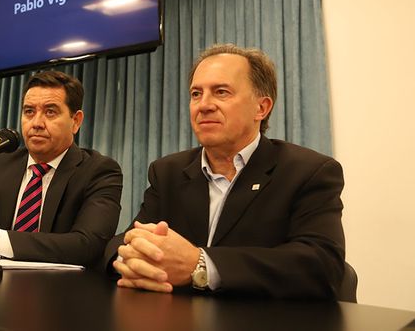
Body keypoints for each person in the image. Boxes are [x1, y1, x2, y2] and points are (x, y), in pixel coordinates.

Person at [104, 44, 345, 299]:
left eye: (221, 92)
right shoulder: (168, 172)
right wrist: (130, 257)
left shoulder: (308, 171)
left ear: (261, 108)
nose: (203, 105)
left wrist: (202, 265)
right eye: (196, 94)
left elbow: (321, 264)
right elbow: (124, 241)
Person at [0, 71, 123, 266]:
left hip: (63, 291)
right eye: (29, 112)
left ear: (75, 121)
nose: (36, 123)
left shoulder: (99, 170)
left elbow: (88, 245)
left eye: (50, 112)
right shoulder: (4, 164)